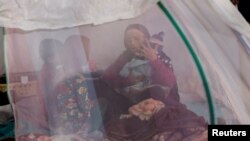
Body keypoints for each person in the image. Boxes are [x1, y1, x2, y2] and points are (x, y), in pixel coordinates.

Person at [102, 24, 207, 141]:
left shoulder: (159, 56)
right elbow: (107, 77)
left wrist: (154, 60)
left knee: (176, 122)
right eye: (128, 40)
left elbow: (169, 82)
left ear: (146, 39)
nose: (131, 43)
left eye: (136, 39)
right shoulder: (126, 56)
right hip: (137, 103)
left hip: (161, 101)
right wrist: (128, 80)